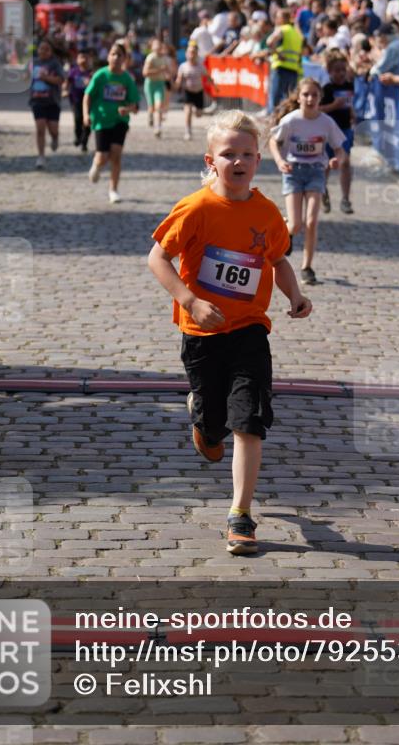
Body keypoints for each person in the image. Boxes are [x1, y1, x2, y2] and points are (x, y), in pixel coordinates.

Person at [148, 110, 312, 555]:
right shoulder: (196, 208)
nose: (237, 162)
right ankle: (203, 416)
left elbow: (277, 260)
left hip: (249, 331)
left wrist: (293, 296)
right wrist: (191, 301)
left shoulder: (266, 211)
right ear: (210, 160)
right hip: (202, 332)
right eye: (228, 154)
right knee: (216, 422)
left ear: (258, 160)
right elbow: (157, 259)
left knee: (250, 421)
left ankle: (240, 514)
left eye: (246, 154)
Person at [269, 78, 346, 285]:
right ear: (299, 97)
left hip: (316, 172)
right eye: (306, 95)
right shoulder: (291, 120)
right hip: (293, 172)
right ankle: (287, 229)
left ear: (320, 97)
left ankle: (307, 267)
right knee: (296, 224)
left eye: (314, 95)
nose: (310, 99)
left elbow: (339, 147)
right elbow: (273, 142)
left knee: (311, 222)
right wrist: (279, 161)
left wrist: (337, 159)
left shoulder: (326, 122)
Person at [83, 41, 139, 203]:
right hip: (101, 120)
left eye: (119, 55)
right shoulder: (101, 75)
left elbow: (135, 105)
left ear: (124, 59)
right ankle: (97, 164)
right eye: (113, 54)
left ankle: (113, 190)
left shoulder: (127, 79)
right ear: (108, 57)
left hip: (119, 121)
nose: (115, 57)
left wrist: (126, 110)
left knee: (116, 156)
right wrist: (86, 114)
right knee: (102, 156)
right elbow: (88, 95)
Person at [319, 50, 356, 214]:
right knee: (326, 164)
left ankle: (345, 199)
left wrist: (352, 113)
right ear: (329, 71)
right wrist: (334, 105)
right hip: (328, 131)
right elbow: (318, 110)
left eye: (343, 69)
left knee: (345, 161)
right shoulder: (327, 89)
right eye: (336, 70)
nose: (340, 73)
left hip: (345, 129)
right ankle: (322, 190)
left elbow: (349, 103)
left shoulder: (349, 85)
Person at [28, 39, 64, 169]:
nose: (43, 51)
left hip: (52, 101)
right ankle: (41, 157)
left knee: (53, 129)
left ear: (51, 51)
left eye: (46, 49)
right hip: (37, 100)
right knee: (40, 129)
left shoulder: (55, 64)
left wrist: (46, 78)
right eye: (41, 49)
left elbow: (61, 80)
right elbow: (26, 77)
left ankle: (55, 138)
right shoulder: (33, 62)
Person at [266, 7, 304, 108]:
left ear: (283, 19)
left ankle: (273, 120)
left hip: (281, 67)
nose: (276, 20)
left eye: (277, 17)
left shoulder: (282, 29)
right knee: (288, 100)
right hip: (294, 70)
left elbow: (269, 42)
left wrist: (278, 54)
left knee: (275, 99)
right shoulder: (297, 34)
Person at [175, 42, 210, 141]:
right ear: (186, 54)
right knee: (188, 110)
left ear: (197, 54)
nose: (191, 54)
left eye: (193, 52)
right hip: (188, 91)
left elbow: (207, 77)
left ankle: (196, 111)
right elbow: (179, 78)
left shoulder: (201, 66)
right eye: (190, 52)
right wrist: (176, 85)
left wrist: (213, 85)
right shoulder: (183, 66)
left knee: (199, 114)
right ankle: (188, 131)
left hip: (198, 92)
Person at [65, 48, 93, 151]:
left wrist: (90, 82)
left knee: (87, 121)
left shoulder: (91, 73)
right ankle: (78, 137)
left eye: (86, 57)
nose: (83, 59)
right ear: (77, 59)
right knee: (78, 119)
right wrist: (65, 89)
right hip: (76, 100)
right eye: (81, 57)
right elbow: (67, 82)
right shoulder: (74, 71)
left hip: (89, 101)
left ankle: (84, 142)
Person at [142, 37, 171, 137]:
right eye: (156, 45)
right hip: (150, 84)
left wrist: (168, 77)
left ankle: (158, 127)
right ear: (152, 47)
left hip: (160, 83)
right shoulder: (151, 58)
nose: (158, 47)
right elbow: (145, 73)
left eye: (159, 45)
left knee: (159, 106)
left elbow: (168, 71)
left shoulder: (164, 58)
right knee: (152, 107)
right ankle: (150, 115)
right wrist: (159, 70)